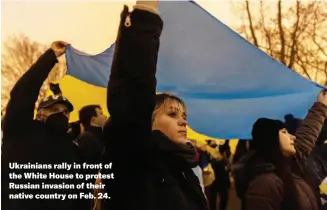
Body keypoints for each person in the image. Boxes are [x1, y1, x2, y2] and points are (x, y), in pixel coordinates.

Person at [102, 1, 208, 210]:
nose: (183, 121)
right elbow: (132, 89)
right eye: (172, 114)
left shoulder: (185, 167)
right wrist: (145, 15)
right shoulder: (135, 160)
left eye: (184, 115)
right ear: (149, 121)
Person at [1, 41, 88, 210]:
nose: (62, 114)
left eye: (65, 112)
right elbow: (23, 93)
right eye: (55, 109)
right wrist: (50, 57)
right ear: (40, 114)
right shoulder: (21, 130)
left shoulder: (73, 149)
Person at [244, 91, 327, 210]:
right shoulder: (264, 184)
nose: (292, 136)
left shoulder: (289, 166)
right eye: (284, 132)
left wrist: (321, 106)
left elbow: (306, 137)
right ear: (271, 138)